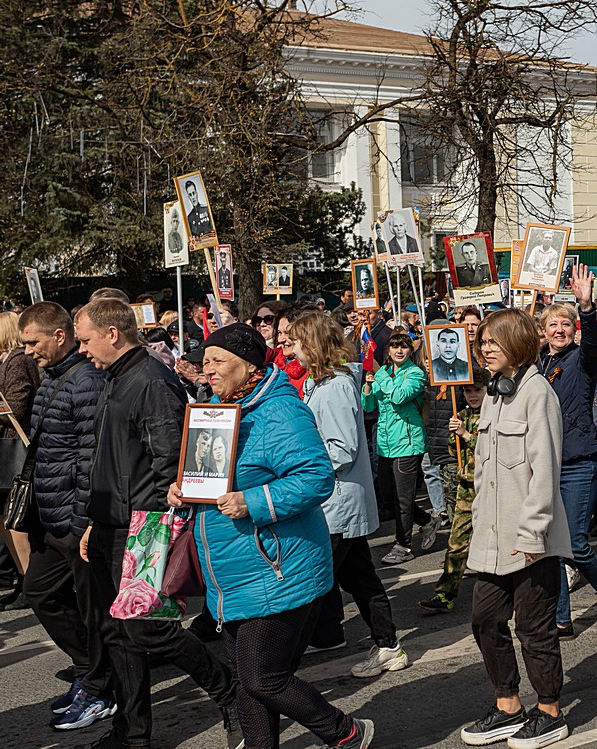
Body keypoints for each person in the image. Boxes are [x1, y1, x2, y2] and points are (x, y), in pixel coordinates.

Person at [166, 323, 374, 749]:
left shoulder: (280, 410)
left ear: (250, 366)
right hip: (230, 571)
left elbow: (316, 477)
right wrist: (184, 491)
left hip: (278, 567)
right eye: (205, 362)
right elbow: (210, 479)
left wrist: (253, 502)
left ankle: (346, 733)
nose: (209, 371)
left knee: (264, 677)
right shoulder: (215, 411)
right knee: (246, 680)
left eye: (219, 361)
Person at [74, 298, 238, 749]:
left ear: (111, 334)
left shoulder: (150, 380)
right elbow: (113, 461)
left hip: (144, 526)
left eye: (86, 340)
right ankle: (132, 732)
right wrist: (96, 521)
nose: (82, 349)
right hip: (112, 524)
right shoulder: (117, 376)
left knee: (148, 629)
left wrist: (165, 529)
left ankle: (229, 692)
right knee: (117, 633)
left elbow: (170, 463)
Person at [457, 309, 573, 749]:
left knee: (534, 627)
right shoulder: (494, 392)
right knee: (484, 619)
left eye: (493, 342)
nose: (484, 348)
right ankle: (508, 706)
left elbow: (545, 471)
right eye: (483, 341)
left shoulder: (537, 393)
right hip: (492, 538)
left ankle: (549, 712)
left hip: (530, 538)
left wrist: (533, 533)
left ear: (518, 344)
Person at [287, 312, 409, 677]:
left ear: (313, 344)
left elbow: (342, 448)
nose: (291, 349)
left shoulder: (336, 386)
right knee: (360, 579)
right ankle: (388, 644)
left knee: (314, 582)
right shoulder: (323, 383)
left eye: (296, 342)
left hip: (335, 502)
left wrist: (303, 468)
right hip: (335, 501)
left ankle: (280, 662)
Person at [14, 303, 115, 728]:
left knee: (94, 608)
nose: (27, 352)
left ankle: (98, 687)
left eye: (33, 343)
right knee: (39, 592)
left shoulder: (87, 382)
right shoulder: (54, 377)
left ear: (59, 336)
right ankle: (90, 670)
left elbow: (92, 458)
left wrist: (81, 523)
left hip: (74, 520)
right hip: (50, 516)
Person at [537, 264, 597, 641]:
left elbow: (594, 344)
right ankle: (562, 618)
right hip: (546, 463)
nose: (559, 331)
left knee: (574, 543)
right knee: (550, 543)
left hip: (578, 462)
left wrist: (586, 305)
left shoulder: (582, 356)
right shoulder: (538, 363)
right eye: (552, 325)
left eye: (566, 324)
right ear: (543, 331)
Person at [416, 370, 488, 613]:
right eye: (468, 391)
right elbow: (453, 451)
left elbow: (492, 449)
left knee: (494, 541)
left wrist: (466, 435)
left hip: (489, 487)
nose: (472, 395)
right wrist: (454, 434)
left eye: (477, 390)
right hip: (467, 487)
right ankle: (445, 594)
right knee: (457, 542)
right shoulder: (463, 414)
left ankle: (501, 594)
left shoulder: (493, 414)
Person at [363, 332, 435, 564]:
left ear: (410, 350)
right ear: (389, 351)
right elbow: (370, 405)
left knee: (403, 499)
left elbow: (399, 395)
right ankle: (426, 520)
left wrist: (381, 375)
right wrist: (367, 387)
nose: (399, 351)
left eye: (403, 347)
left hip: (407, 443)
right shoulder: (384, 373)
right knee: (389, 497)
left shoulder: (415, 374)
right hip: (384, 445)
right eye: (394, 347)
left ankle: (403, 546)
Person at [0, 310, 39, 608]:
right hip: (7, 448)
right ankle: (23, 580)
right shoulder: (9, 361)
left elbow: (15, 406)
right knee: (7, 520)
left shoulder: (17, 361)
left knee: (16, 519)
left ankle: (29, 581)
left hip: (14, 449)